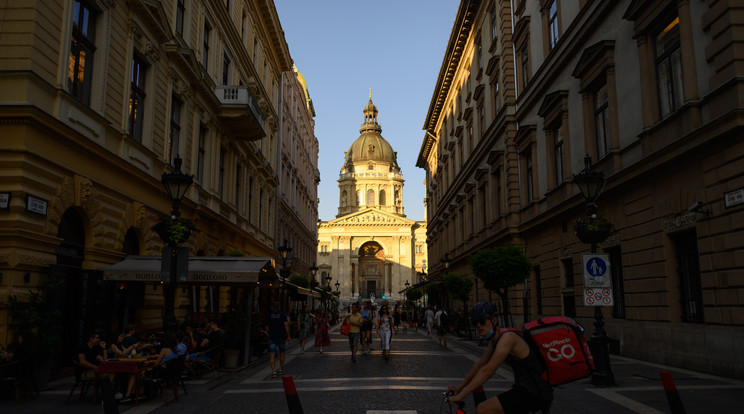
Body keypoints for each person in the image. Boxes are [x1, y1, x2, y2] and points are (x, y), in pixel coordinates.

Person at [448, 302, 553, 414]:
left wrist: (461, 396)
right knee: (482, 399)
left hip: (535, 392)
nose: (478, 325)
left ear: (494, 320)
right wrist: (459, 388)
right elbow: (480, 365)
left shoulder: (507, 339)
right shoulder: (494, 340)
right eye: (475, 322)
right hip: (524, 388)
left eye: (482, 321)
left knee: (483, 409)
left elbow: (487, 371)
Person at [265, 301, 290, 377]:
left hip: (272, 337)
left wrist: (268, 334)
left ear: (272, 307)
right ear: (279, 307)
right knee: (282, 353)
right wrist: (288, 336)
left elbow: (266, 327)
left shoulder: (269, 315)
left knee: (272, 354)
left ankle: (273, 371)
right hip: (281, 337)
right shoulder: (282, 315)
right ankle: (280, 369)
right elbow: (286, 325)